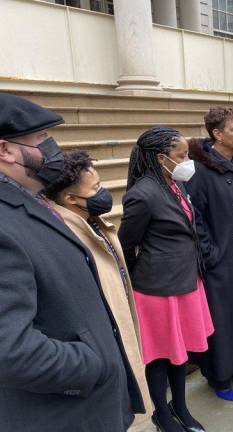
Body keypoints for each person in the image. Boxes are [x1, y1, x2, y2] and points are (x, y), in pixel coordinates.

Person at [0, 92, 144, 431]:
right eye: (42, 139)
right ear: (5, 151)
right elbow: (12, 349)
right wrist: (94, 364)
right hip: (69, 413)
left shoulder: (26, 199)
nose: (53, 149)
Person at [44, 151, 153, 424]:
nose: (103, 193)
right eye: (95, 189)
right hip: (98, 350)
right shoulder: (65, 235)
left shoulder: (91, 221)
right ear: (70, 198)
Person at [119, 127, 213, 432]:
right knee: (160, 357)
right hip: (158, 290)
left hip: (186, 282)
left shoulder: (174, 183)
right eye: (180, 156)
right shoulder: (142, 194)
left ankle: (180, 407)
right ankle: (161, 412)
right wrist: (143, 275)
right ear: (161, 158)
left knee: (180, 352)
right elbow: (126, 244)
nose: (187, 161)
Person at [187, 107, 233, 402]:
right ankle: (218, 376)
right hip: (219, 258)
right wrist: (210, 253)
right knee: (222, 320)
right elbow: (195, 217)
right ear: (217, 134)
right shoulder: (200, 169)